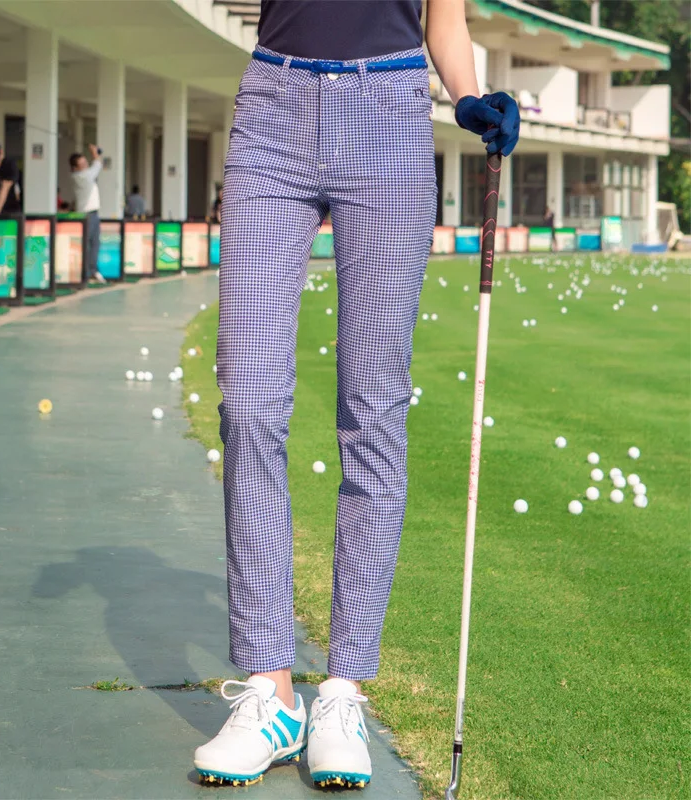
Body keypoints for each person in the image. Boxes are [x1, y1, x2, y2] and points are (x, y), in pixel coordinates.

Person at [193, 0, 520, 790]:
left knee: (372, 412)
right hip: (274, 108)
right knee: (248, 405)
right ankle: (270, 693)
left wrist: (469, 96)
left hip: (389, 112)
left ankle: (341, 693)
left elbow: (444, 19)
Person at [69, 144, 105, 284]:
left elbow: (96, 165)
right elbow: (97, 165)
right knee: (86, 245)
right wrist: (95, 153)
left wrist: (95, 154)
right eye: (82, 164)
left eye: (85, 163)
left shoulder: (85, 174)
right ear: (75, 168)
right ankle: (85, 273)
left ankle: (92, 272)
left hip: (94, 213)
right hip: (86, 215)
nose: (85, 166)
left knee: (95, 244)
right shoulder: (81, 176)